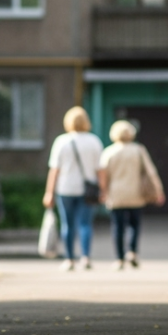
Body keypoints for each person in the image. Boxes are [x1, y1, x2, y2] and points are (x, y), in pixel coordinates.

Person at [98, 120, 165, 270]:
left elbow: (102, 175)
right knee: (134, 224)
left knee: (118, 227)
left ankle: (119, 259)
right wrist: (159, 190)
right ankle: (133, 251)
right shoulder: (139, 150)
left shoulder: (109, 152)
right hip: (136, 194)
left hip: (116, 195)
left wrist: (103, 192)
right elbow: (151, 172)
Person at [43, 106, 104, 271]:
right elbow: (100, 170)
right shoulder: (94, 141)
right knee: (85, 224)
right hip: (88, 190)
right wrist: (104, 190)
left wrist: (49, 193)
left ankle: (69, 259)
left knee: (67, 225)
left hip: (66, 189)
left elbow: (54, 170)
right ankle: (85, 258)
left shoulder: (61, 141)